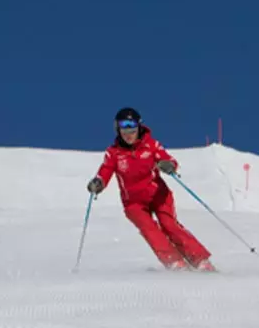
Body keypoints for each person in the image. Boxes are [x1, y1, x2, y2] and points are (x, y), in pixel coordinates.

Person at [86, 107, 215, 271]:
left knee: (170, 225)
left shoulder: (151, 145)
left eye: (132, 128)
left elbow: (166, 158)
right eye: (123, 128)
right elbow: (105, 170)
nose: (128, 133)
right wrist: (99, 182)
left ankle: (199, 259)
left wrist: (168, 165)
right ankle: (174, 261)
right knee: (149, 229)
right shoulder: (114, 153)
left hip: (158, 195)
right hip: (133, 203)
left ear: (139, 127)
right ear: (117, 129)